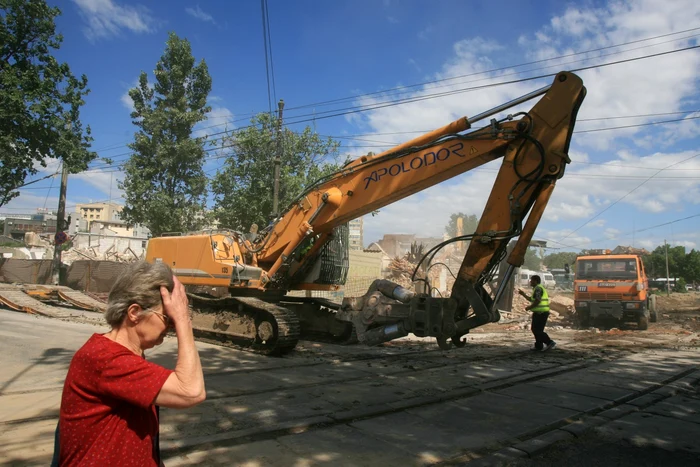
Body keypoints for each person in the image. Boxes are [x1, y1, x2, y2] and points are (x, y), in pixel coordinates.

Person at [56, 261, 206, 466]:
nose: (170, 326)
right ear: (134, 312)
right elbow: (191, 391)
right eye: (166, 317)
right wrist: (183, 320)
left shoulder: (123, 356)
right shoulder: (106, 358)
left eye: (172, 319)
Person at [518, 274, 556, 352]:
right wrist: (523, 294)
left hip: (541, 313)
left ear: (535, 281)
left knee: (537, 330)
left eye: (531, 280)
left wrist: (529, 307)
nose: (530, 282)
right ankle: (539, 346)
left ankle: (549, 342)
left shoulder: (538, 288)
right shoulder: (536, 289)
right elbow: (531, 299)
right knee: (536, 330)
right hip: (539, 312)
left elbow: (537, 301)